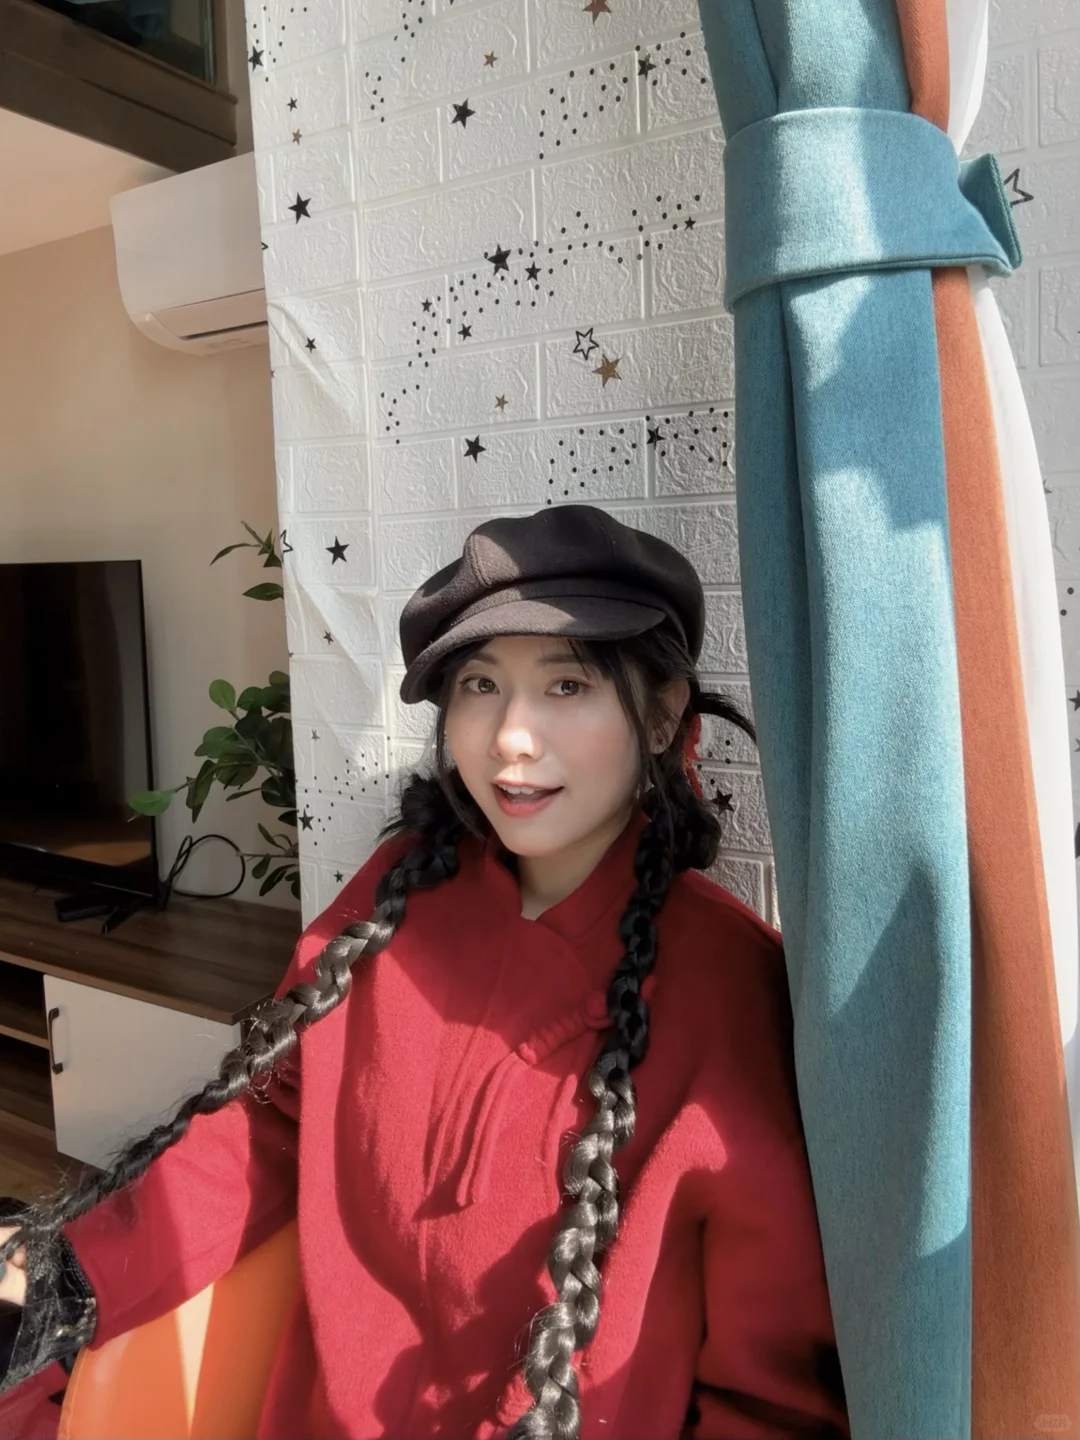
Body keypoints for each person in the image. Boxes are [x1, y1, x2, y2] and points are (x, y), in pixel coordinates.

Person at [0, 505, 848, 1440]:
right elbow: (272, 1122)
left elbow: (772, 1395)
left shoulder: (730, 990)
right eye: (481, 684)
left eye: (567, 684)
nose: (510, 736)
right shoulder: (395, 897)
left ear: (661, 715)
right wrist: (70, 1273)